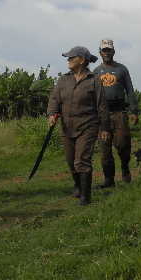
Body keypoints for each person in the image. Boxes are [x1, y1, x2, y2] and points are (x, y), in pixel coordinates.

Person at [47, 46, 110, 205]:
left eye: (71, 57)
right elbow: (54, 99)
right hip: (67, 127)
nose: (68, 60)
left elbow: (101, 105)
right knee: (70, 160)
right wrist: (52, 114)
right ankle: (78, 185)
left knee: (81, 160)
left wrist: (104, 128)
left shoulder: (94, 80)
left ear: (82, 60)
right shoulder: (63, 80)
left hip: (88, 126)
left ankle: (85, 197)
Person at [92, 40, 139, 187]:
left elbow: (130, 90)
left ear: (113, 52)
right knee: (104, 148)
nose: (106, 53)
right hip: (102, 115)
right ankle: (109, 179)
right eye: (104, 50)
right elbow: (92, 95)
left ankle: (125, 168)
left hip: (119, 113)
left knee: (123, 144)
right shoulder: (96, 72)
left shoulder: (122, 69)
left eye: (109, 50)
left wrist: (134, 111)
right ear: (100, 53)